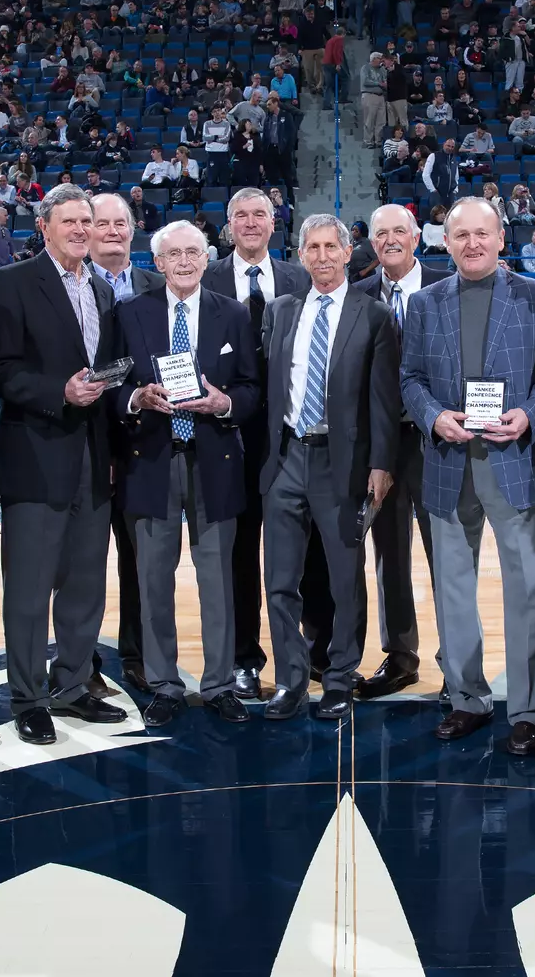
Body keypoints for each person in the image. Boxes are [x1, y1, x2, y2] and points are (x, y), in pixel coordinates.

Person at [401, 197, 535, 755]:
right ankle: (467, 697)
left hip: (515, 461)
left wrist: (531, 414)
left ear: (501, 238)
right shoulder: (424, 303)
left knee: (530, 589)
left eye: (482, 234)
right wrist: (432, 416)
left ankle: (530, 708)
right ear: (445, 241)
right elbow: (411, 378)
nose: (472, 243)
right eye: (460, 234)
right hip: (448, 464)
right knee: (453, 590)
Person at [0, 184, 126, 744]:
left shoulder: (103, 291)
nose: (82, 230)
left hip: (93, 457)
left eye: (87, 221)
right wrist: (57, 392)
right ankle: (28, 696)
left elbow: (107, 371)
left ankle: (72, 686)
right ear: (44, 227)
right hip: (35, 456)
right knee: (30, 588)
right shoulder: (10, 284)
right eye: (70, 222)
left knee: (86, 583)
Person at [111, 221, 261, 725]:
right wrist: (134, 397)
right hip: (151, 460)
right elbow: (110, 383)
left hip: (214, 459)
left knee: (218, 578)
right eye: (173, 254)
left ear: (206, 257)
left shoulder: (233, 314)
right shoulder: (130, 313)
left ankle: (218, 683)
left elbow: (250, 389)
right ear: (158, 262)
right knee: (153, 579)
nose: (183, 261)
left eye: (193, 252)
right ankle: (165, 685)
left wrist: (224, 404)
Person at [259, 214, 401, 721]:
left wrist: (381, 464)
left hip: (343, 463)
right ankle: (292, 680)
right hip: (286, 459)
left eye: (330, 247)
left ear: (347, 252)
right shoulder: (280, 311)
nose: (321, 256)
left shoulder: (375, 315)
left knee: (344, 579)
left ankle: (340, 677)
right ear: (301, 256)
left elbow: (384, 402)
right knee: (279, 579)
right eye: (311, 248)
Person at [201, 188, 313, 697]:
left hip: (295, 434)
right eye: (240, 215)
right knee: (240, 552)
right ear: (228, 225)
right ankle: (245, 657)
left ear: (275, 223)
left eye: (259, 215)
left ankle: (318, 649)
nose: (250, 223)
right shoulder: (205, 279)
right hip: (230, 436)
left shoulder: (302, 276)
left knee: (307, 551)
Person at [348, 204, 454, 698]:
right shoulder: (358, 295)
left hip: (437, 440)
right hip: (382, 446)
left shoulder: (448, 285)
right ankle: (401, 656)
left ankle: (457, 658)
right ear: (370, 242)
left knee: (448, 554)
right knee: (389, 553)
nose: (389, 240)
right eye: (380, 233)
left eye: (399, 231)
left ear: (417, 237)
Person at [90, 192, 164, 687]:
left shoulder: (156, 285)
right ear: (84, 230)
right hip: (88, 446)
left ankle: (136, 654)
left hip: (147, 445)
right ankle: (82, 663)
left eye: (122, 222)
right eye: (103, 223)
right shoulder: (71, 287)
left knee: (140, 562)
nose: (114, 231)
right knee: (87, 565)